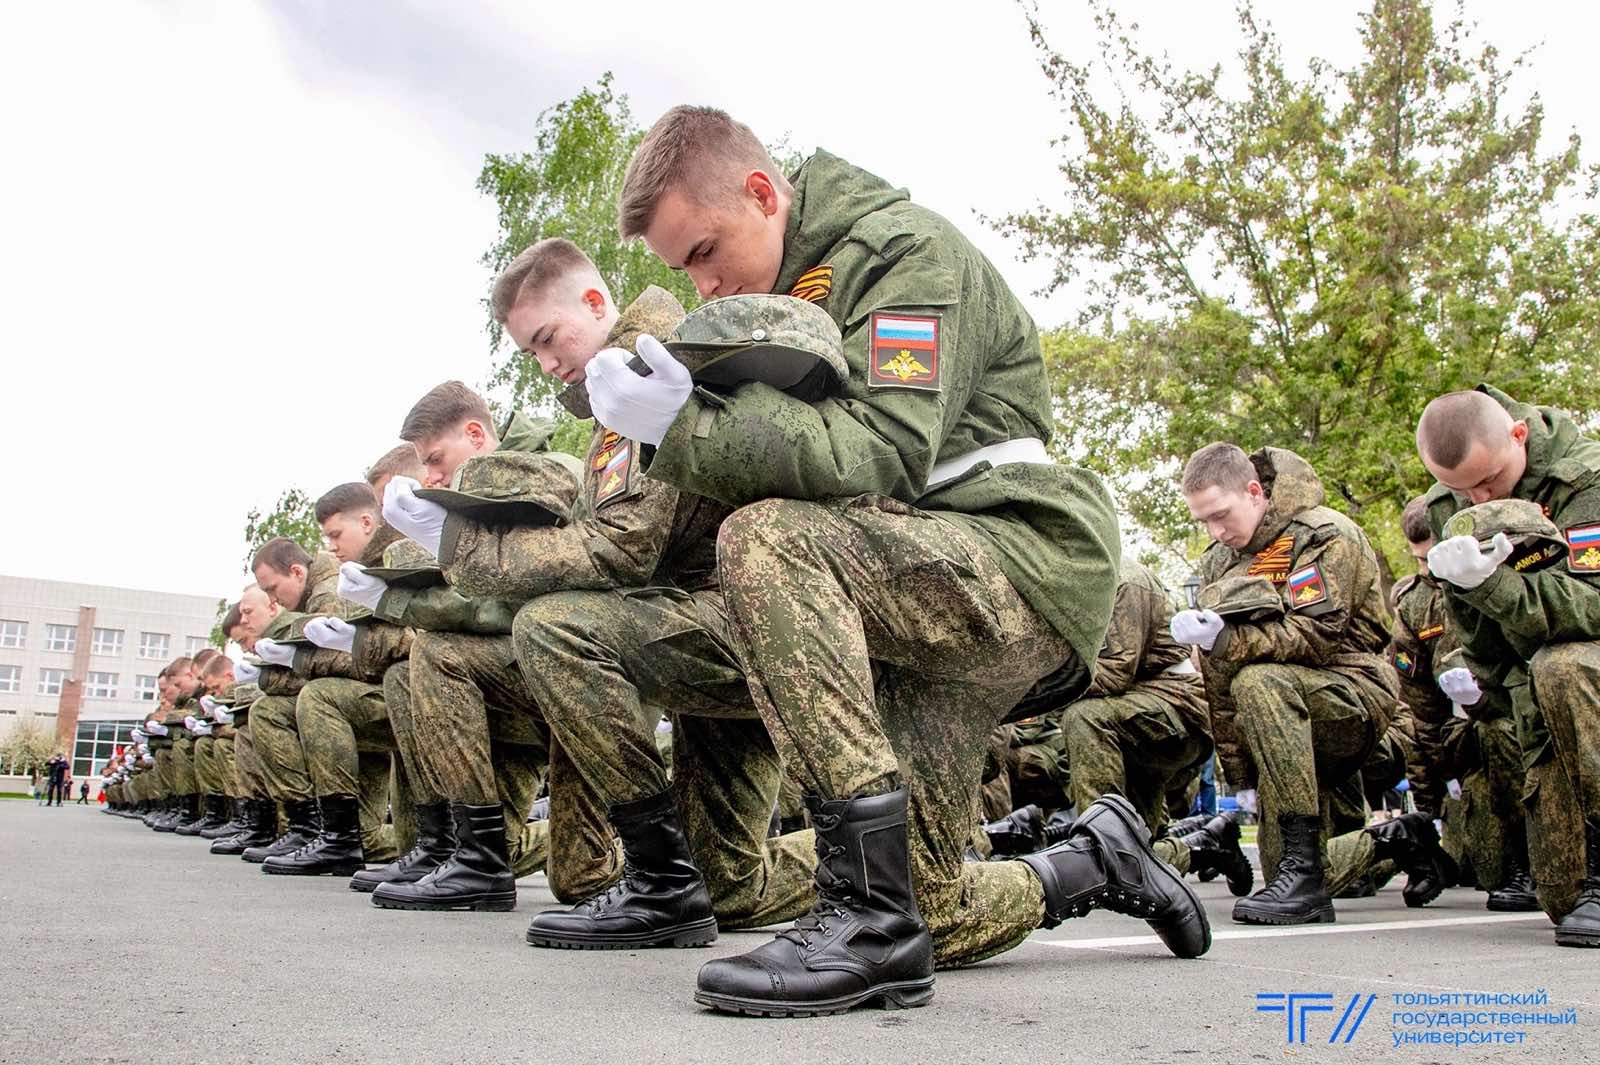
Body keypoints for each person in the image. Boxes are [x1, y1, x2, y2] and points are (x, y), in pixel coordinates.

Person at [583, 105, 1205, 1017]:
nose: (701, 281)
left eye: (706, 250)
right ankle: (1090, 859)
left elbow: (882, 445)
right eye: (683, 268)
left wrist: (690, 428)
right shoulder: (760, 316)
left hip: (1018, 552)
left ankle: (865, 914)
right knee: (937, 913)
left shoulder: (904, 253)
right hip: (911, 576)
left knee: (767, 539)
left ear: (764, 192)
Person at [1172, 443, 1450, 924]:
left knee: (1260, 680)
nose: (1216, 531)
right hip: (1276, 715)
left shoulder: (1324, 534)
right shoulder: (1221, 561)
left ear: (1255, 492)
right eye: (1204, 523)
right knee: (1282, 868)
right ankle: (1396, 838)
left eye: (1221, 515)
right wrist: (1241, 777)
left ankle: (1305, 878)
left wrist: (1227, 639)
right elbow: (1217, 677)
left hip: (1351, 690)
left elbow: (1317, 637)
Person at [1415, 385, 1600, 946]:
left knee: (1562, 663)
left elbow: (1592, 608)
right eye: (1458, 487)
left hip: (1586, 668)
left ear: (1518, 435)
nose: (1475, 498)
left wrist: (1495, 585)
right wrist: (1469, 594)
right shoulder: (1449, 507)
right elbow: (1486, 649)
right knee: (1561, 899)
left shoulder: (1584, 481)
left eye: (1488, 480)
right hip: (1533, 695)